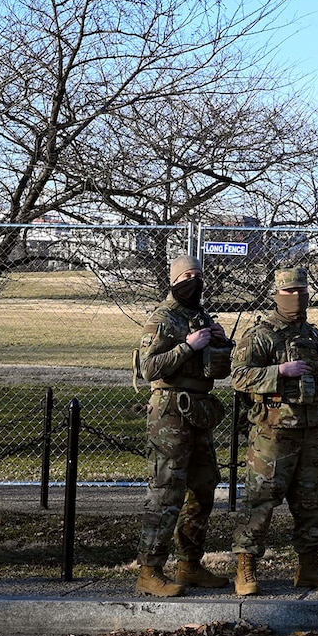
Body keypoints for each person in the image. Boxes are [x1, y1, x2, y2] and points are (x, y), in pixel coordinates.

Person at [230, 265, 318, 595]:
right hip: (272, 434)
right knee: (261, 502)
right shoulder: (261, 335)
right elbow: (239, 376)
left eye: (301, 291)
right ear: (277, 295)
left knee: (311, 503)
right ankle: (246, 567)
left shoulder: (313, 336)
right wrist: (280, 370)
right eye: (289, 292)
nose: (296, 297)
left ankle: (308, 567)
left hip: (309, 432)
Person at [133, 253, 234, 597]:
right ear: (174, 281)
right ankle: (150, 569)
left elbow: (218, 371)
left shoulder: (200, 316)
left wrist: (218, 344)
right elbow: (149, 368)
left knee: (204, 488)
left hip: (199, 410)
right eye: (186, 276)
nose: (194, 281)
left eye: (198, 275)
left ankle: (189, 564)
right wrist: (188, 348)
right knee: (166, 491)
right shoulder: (163, 319)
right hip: (169, 412)